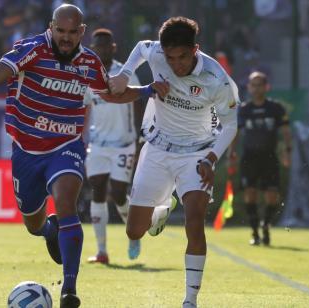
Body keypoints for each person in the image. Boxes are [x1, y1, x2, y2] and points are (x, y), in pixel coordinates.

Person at [0, 5, 112, 307]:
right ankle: (49, 230)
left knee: (67, 204)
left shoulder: (90, 62)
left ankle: (70, 290)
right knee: (33, 224)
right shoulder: (32, 49)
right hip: (26, 151)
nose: (65, 38)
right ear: (51, 28)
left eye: (72, 32)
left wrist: (147, 90)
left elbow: (113, 91)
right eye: (60, 31)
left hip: (66, 145)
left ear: (82, 31)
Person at [108, 16, 239, 307]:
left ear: (196, 49)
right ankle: (162, 210)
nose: (175, 65)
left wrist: (211, 157)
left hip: (197, 154)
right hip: (157, 149)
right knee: (134, 231)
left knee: (195, 221)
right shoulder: (156, 54)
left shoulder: (217, 79)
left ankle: (190, 299)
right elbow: (143, 47)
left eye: (182, 57)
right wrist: (125, 74)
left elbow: (230, 125)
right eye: (170, 58)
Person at [82, 28, 142, 264]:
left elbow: (138, 102)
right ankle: (102, 251)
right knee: (97, 191)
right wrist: (80, 136)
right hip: (97, 144)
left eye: (106, 46)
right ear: (92, 49)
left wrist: (139, 138)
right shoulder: (88, 76)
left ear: (113, 48)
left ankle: (134, 234)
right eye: (98, 46)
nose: (102, 50)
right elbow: (85, 107)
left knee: (117, 193)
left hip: (123, 143)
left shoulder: (125, 74)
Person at [229, 71, 291, 246]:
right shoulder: (244, 110)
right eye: (253, 84)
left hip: (270, 157)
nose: (256, 88)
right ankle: (255, 232)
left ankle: (266, 224)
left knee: (272, 195)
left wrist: (287, 151)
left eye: (259, 84)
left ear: (266, 87)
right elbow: (235, 133)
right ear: (248, 87)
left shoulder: (276, 108)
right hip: (250, 158)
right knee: (250, 193)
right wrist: (231, 153)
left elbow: (286, 131)